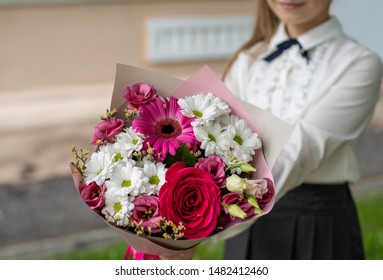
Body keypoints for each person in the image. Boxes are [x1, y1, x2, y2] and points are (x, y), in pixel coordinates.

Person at [221, 0, 382, 259]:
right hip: (243, 218)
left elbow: (301, 149)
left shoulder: (359, 62)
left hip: (317, 220)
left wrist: (209, 224)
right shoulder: (247, 61)